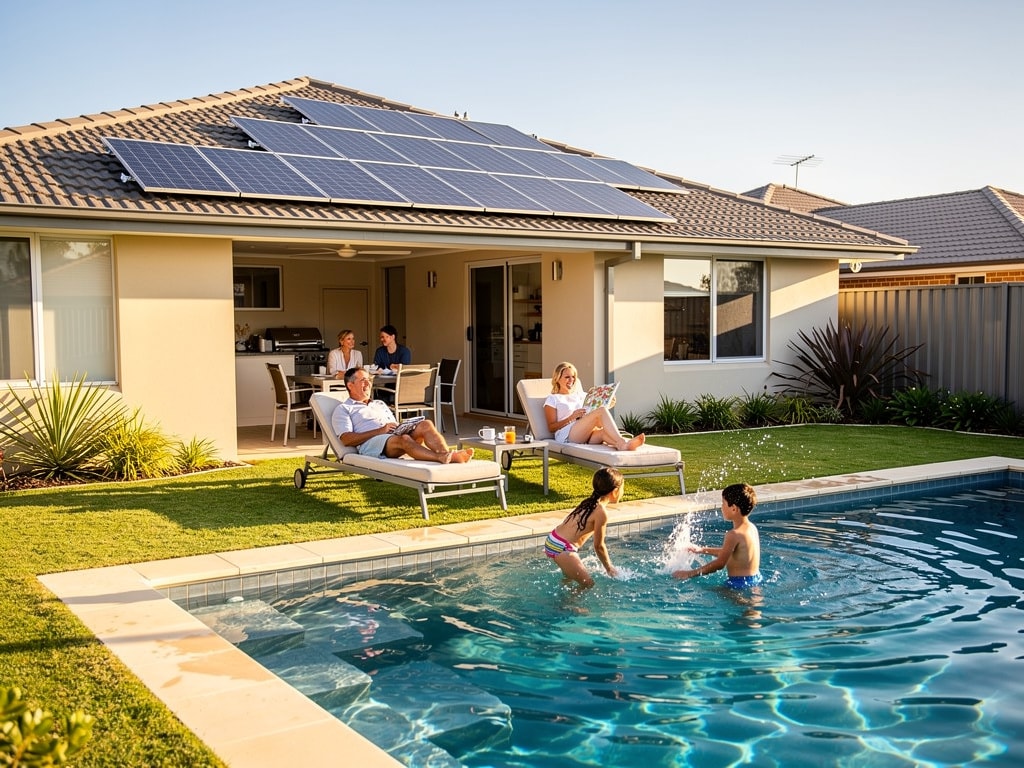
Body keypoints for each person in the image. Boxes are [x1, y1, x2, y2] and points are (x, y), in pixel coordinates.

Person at [331, 367, 473, 464]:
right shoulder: (344, 409)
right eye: (363, 380)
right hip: (372, 444)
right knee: (404, 438)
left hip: (393, 436)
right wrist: (380, 431)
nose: (368, 383)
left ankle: (447, 454)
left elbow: (393, 426)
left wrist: (404, 426)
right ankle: (440, 457)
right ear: (350, 385)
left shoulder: (379, 403)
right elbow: (346, 439)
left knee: (426, 424)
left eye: (369, 379)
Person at [544, 467, 624, 588]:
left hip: (553, 539)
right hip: (563, 548)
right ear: (615, 491)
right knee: (588, 584)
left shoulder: (588, 502)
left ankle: (562, 596)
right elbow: (599, 546)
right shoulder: (601, 512)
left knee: (570, 577)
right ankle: (567, 601)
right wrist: (609, 568)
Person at [672, 483, 762, 588]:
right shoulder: (751, 528)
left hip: (738, 585)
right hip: (755, 579)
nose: (721, 507)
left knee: (706, 590)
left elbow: (720, 563)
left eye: (723, 503)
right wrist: (702, 550)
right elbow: (731, 553)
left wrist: (689, 573)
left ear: (733, 508)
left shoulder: (733, 534)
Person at [544, 362, 645, 451]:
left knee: (603, 432)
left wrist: (609, 403)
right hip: (568, 435)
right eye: (567, 377)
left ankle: (623, 445)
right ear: (557, 379)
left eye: (573, 377)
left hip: (587, 433)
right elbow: (551, 428)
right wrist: (571, 417)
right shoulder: (553, 399)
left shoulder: (582, 395)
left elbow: (594, 411)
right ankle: (623, 441)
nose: (571, 380)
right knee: (601, 411)